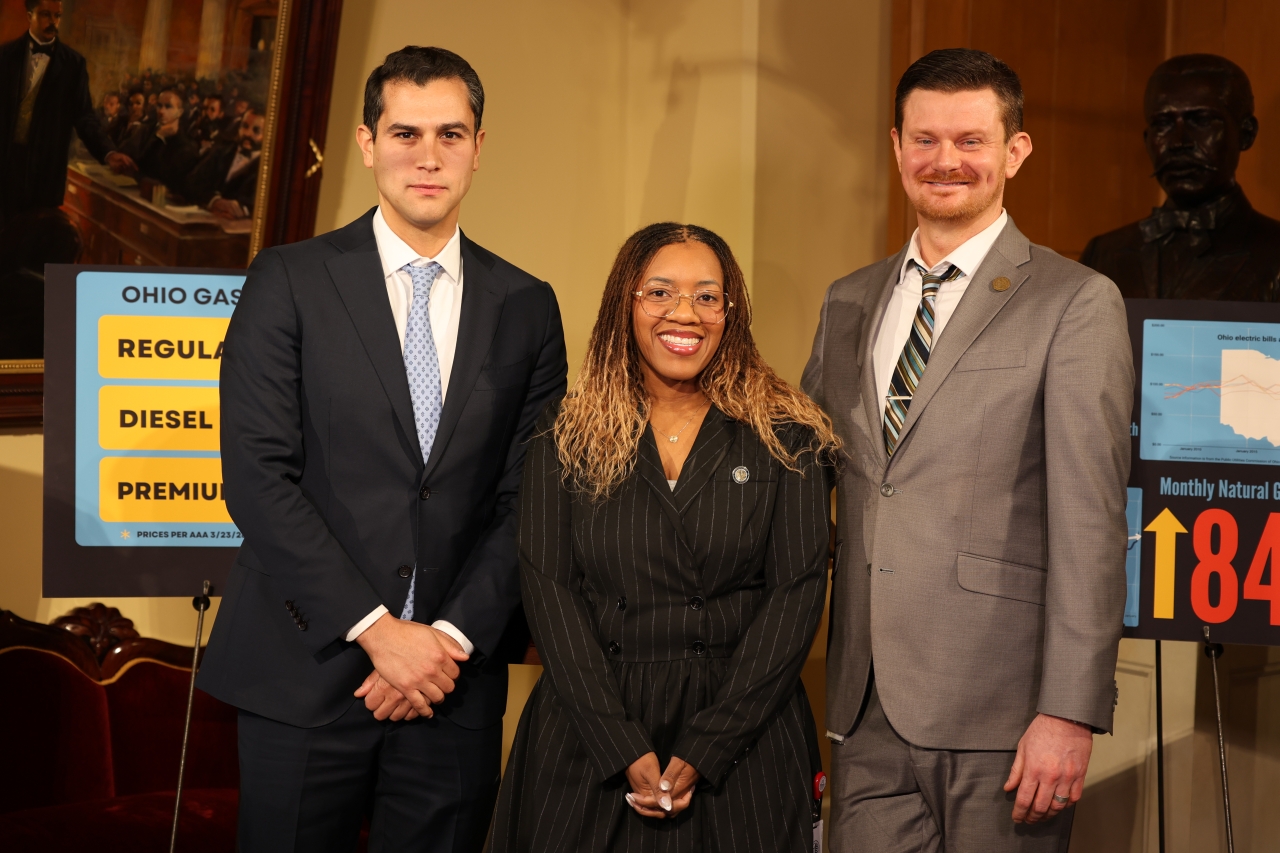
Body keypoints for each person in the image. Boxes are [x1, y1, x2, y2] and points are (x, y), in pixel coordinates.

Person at [196, 46, 567, 853]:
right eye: (405, 133)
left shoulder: (528, 306)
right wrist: (378, 631)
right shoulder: (286, 280)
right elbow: (258, 477)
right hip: (305, 673)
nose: (427, 158)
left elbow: (530, 494)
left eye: (450, 134)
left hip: (451, 686)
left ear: (478, 146)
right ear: (367, 143)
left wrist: (446, 642)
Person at [802, 48, 1134, 851]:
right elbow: (807, 475)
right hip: (864, 706)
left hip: (1007, 716)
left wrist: (1070, 709)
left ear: (1015, 151)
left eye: (971, 140)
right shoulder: (849, 300)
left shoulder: (1076, 301)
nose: (945, 161)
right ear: (896, 146)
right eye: (925, 140)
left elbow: (1091, 520)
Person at [490, 222, 839, 852]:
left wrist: (711, 745)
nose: (686, 313)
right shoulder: (564, 432)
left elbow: (797, 595)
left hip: (744, 738)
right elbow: (550, 595)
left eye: (708, 296)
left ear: (731, 312)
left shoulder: (789, 436)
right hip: (589, 734)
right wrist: (619, 743)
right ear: (625, 303)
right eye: (660, 292)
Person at [1081, 54, 1280, 301]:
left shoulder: (1274, 251)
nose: (1178, 142)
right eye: (1163, 124)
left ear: (1246, 134)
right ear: (1147, 139)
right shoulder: (1103, 254)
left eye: (1201, 121)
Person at [0, 0, 133, 218]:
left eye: (57, 16)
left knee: (37, 244)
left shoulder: (73, 64)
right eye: (45, 15)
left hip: (45, 176)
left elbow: (84, 116)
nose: (53, 22)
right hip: (5, 171)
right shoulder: (5, 57)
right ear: (29, 16)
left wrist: (108, 152)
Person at [185, 106, 263, 218]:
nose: (248, 133)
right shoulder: (221, 151)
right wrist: (214, 201)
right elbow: (191, 181)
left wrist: (243, 211)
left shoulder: (268, 168)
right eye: (245, 126)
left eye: (256, 130)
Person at [120, 88, 200, 192]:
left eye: (168, 106)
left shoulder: (186, 144)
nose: (161, 111)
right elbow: (123, 155)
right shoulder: (145, 130)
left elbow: (166, 178)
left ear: (180, 112)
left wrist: (159, 137)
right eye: (159, 106)